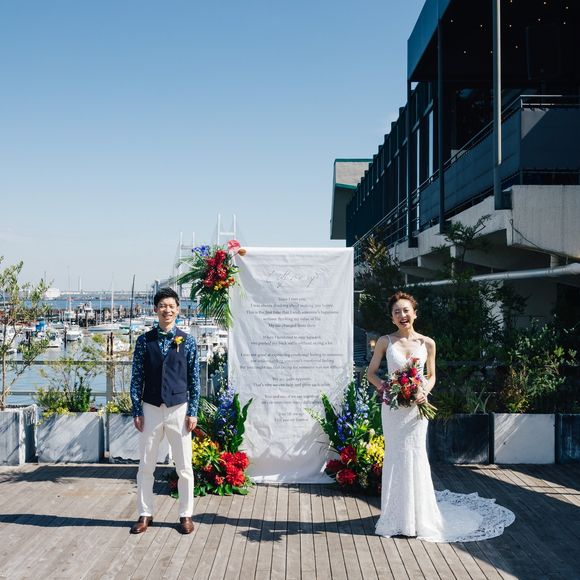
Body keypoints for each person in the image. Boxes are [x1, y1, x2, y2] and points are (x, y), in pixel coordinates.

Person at [367, 291, 514, 542]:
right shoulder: (385, 341)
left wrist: (423, 391)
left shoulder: (428, 343)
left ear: (415, 314)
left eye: (406, 310)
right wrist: (387, 389)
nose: (402, 315)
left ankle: (418, 517)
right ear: (392, 318)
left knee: (415, 455)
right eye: (396, 312)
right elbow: (371, 373)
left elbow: (431, 375)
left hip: (416, 410)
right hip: (393, 410)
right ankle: (395, 517)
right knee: (395, 456)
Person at [129, 287, 200, 535]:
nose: (166, 310)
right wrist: (136, 410)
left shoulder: (187, 341)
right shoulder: (144, 341)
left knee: (184, 466)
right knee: (146, 465)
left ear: (178, 309)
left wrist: (193, 411)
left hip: (179, 409)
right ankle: (145, 513)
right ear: (155, 309)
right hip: (150, 408)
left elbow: (194, 380)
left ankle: (186, 514)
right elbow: (136, 378)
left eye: (171, 306)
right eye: (162, 306)